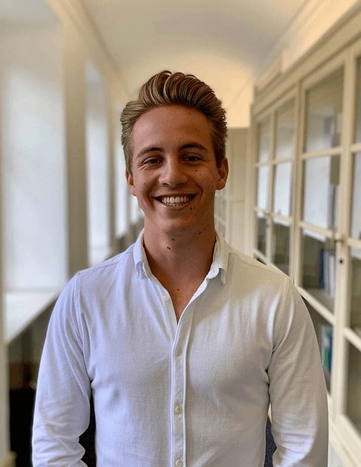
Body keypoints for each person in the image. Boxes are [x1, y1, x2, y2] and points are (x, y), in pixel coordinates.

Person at [32, 70, 328, 466]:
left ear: (221, 171)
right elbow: (54, 444)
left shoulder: (275, 299)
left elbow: (303, 449)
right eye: (153, 159)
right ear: (131, 179)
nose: (172, 175)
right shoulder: (86, 298)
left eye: (191, 156)